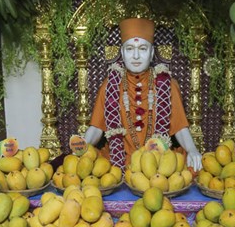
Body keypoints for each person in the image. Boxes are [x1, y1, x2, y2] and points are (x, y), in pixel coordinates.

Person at [84, 17, 202, 170]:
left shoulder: (167, 84)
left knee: (185, 164)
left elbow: (180, 127)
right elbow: (96, 128)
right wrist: (81, 150)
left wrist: (192, 150)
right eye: (130, 49)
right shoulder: (110, 85)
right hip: (119, 160)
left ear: (152, 53)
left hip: (159, 162)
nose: (136, 56)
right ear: (122, 53)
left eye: (142, 49)